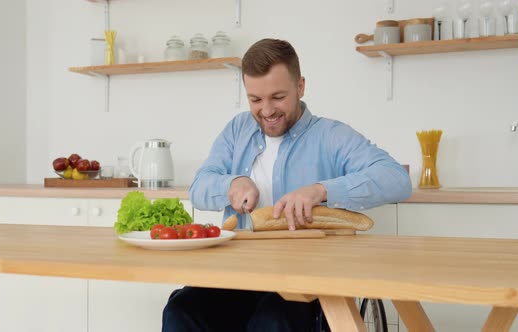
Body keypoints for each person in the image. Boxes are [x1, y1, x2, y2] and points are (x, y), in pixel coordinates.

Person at [161, 38, 412, 332]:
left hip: (308, 282)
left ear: (300, 87)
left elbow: (397, 179)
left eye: (277, 97)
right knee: (181, 310)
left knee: (274, 319)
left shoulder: (331, 136)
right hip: (239, 277)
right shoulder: (236, 131)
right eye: (255, 99)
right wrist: (232, 183)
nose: (266, 110)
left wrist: (321, 190)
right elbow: (199, 188)